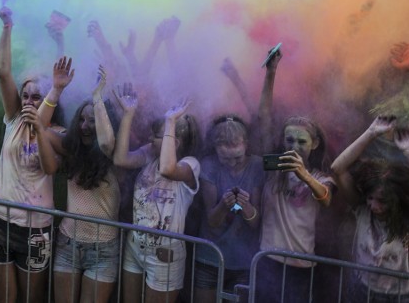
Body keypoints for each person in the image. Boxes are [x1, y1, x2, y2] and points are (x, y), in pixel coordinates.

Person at [0, 5, 66, 303]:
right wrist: (7, 27)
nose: (30, 100)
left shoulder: (57, 134)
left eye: (37, 96)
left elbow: (50, 168)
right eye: (26, 95)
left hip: (35, 230)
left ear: (47, 101)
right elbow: (2, 72)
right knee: (5, 298)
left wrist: (41, 129)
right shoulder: (13, 120)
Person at [254, 48, 335, 303]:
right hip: (267, 259)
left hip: (301, 265)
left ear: (314, 143)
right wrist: (271, 72)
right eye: (289, 139)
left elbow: (325, 198)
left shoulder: (320, 177)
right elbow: (263, 116)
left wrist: (303, 175)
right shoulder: (273, 168)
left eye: (301, 141)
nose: (294, 145)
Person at [331, 116, 409, 302]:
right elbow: (337, 169)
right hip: (360, 290)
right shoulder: (362, 211)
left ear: (397, 200)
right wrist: (371, 133)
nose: (373, 206)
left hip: (396, 298)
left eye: (382, 201)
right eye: (370, 198)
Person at [36, 66, 120, 303]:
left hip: (102, 250)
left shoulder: (114, 158)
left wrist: (97, 98)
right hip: (67, 244)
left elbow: (106, 144)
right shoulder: (71, 149)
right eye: (81, 119)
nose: (84, 126)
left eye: (92, 121)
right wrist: (56, 89)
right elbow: (39, 127)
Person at [113, 87, 200, 303]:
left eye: (156, 136)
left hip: (165, 253)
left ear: (175, 142)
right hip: (135, 245)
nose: (150, 138)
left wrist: (170, 121)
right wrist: (128, 115)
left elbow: (168, 169)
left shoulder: (190, 164)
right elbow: (120, 159)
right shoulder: (150, 154)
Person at [193, 115, 263, 303]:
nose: (232, 163)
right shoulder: (209, 165)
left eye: (237, 157)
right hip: (210, 257)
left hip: (244, 262)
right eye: (225, 158)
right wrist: (224, 205)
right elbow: (213, 221)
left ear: (246, 144)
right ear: (216, 149)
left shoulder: (256, 166)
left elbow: (255, 222)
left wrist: (245, 205)